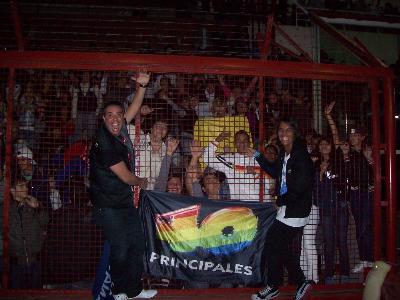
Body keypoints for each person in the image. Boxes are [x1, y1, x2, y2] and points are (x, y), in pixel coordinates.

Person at [90, 72, 157, 300]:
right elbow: (127, 177)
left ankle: (134, 290)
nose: (116, 119)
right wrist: (142, 182)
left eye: (119, 115)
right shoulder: (104, 142)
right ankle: (120, 291)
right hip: (107, 205)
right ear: (104, 119)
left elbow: (134, 107)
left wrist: (142, 86)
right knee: (119, 249)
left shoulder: (119, 130)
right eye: (110, 116)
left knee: (136, 244)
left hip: (124, 202)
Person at [250, 117, 314, 300]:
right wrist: (257, 156)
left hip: (295, 209)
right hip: (287, 208)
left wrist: (280, 199)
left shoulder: (301, 156)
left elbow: (300, 187)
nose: (283, 134)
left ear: (294, 133)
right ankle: (298, 281)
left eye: (287, 130)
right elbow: (274, 171)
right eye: (281, 130)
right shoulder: (285, 154)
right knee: (277, 246)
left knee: (272, 245)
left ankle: (275, 285)